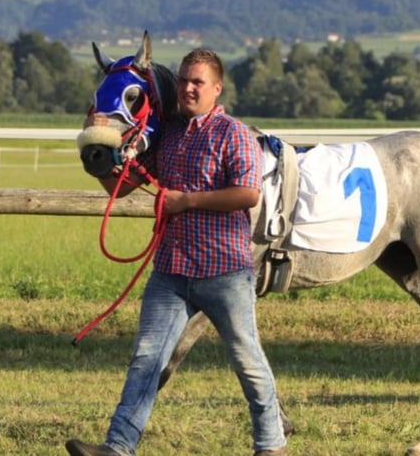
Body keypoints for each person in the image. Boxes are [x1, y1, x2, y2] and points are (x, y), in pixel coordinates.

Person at [66, 49, 288, 456]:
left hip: (223, 272)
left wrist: (185, 201)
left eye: (197, 82)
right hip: (171, 271)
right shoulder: (166, 134)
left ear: (216, 89)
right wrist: (95, 145)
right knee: (146, 360)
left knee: (247, 361)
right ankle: (117, 447)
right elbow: (124, 184)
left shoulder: (233, 134)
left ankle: (272, 445)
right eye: (184, 79)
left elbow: (247, 193)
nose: (187, 87)